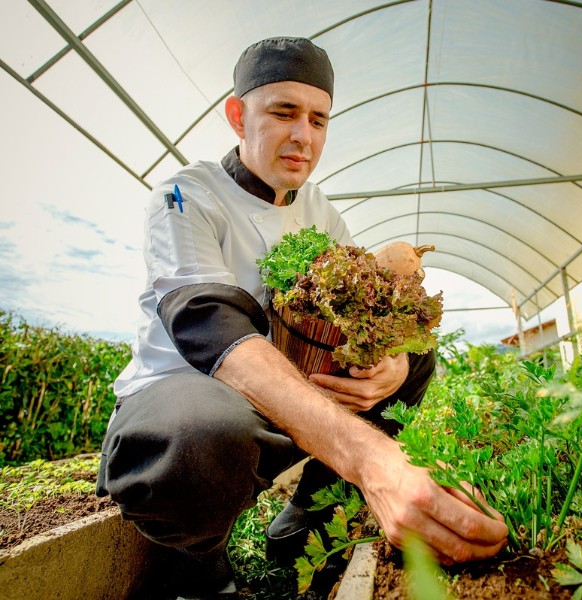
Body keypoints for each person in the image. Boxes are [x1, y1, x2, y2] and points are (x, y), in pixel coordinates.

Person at [96, 36, 508, 599]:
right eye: (284, 112)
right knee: (203, 428)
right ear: (239, 116)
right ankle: (200, 570)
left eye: (319, 119)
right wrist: (369, 458)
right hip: (183, 409)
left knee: (414, 361)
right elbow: (210, 325)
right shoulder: (186, 196)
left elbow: (358, 317)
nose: (303, 137)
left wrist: (387, 364)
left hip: (276, 412)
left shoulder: (320, 212)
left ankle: (302, 521)